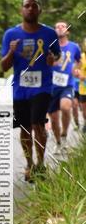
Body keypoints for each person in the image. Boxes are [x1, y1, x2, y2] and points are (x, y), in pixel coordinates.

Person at [0, 0, 60, 181]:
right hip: (20, 89)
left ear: (39, 10)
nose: (30, 9)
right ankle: (29, 164)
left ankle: (40, 164)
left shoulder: (49, 34)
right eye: (27, 6)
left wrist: (52, 59)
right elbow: (3, 66)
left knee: (37, 124)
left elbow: (55, 55)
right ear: (22, 10)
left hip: (42, 87)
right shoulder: (11, 34)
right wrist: (11, 51)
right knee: (25, 127)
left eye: (34, 6)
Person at [48, 22, 81, 158]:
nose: (60, 28)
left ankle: (64, 134)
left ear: (67, 31)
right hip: (50, 86)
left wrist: (76, 69)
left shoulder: (74, 47)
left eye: (63, 26)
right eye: (57, 26)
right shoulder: (49, 46)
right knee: (54, 118)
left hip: (67, 84)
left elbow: (79, 60)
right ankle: (58, 142)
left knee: (66, 107)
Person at [78, 38, 86, 133]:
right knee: (84, 109)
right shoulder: (81, 57)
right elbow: (76, 68)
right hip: (84, 87)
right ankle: (85, 122)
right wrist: (78, 73)